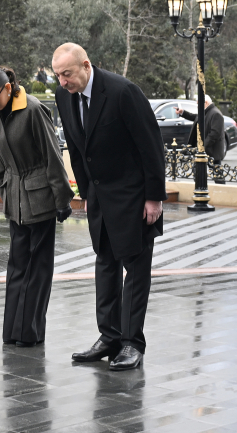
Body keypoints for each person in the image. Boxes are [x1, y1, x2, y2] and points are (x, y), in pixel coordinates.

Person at [51, 43, 166, 371]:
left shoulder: (123, 92)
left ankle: (132, 343)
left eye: (67, 74)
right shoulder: (64, 97)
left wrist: (154, 198)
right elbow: (75, 147)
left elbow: (151, 146)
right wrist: (86, 194)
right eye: (58, 75)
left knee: (136, 267)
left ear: (86, 65)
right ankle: (109, 336)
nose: (62, 82)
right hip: (99, 198)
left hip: (134, 197)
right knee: (105, 264)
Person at [0, 66, 74, 348]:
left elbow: (52, 155)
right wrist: (2, 188)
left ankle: (29, 333)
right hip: (15, 199)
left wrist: (62, 198)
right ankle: (13, 332)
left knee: (38, 267)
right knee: (17, 266)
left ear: (8, 88)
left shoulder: (33, 109)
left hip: (41, 197)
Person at [175, 96, 226, 183]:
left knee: (217, 175)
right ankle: (200, 189)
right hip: (204, 150)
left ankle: (221, 192)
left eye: (199, 103)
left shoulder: (216, 114)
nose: (197, 105)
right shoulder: (206, 112)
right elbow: (195, 117)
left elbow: (214, 134)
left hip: (212, 151)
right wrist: (182, 112)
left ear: (205, 103)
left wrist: (202, 146)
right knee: (198, 173)